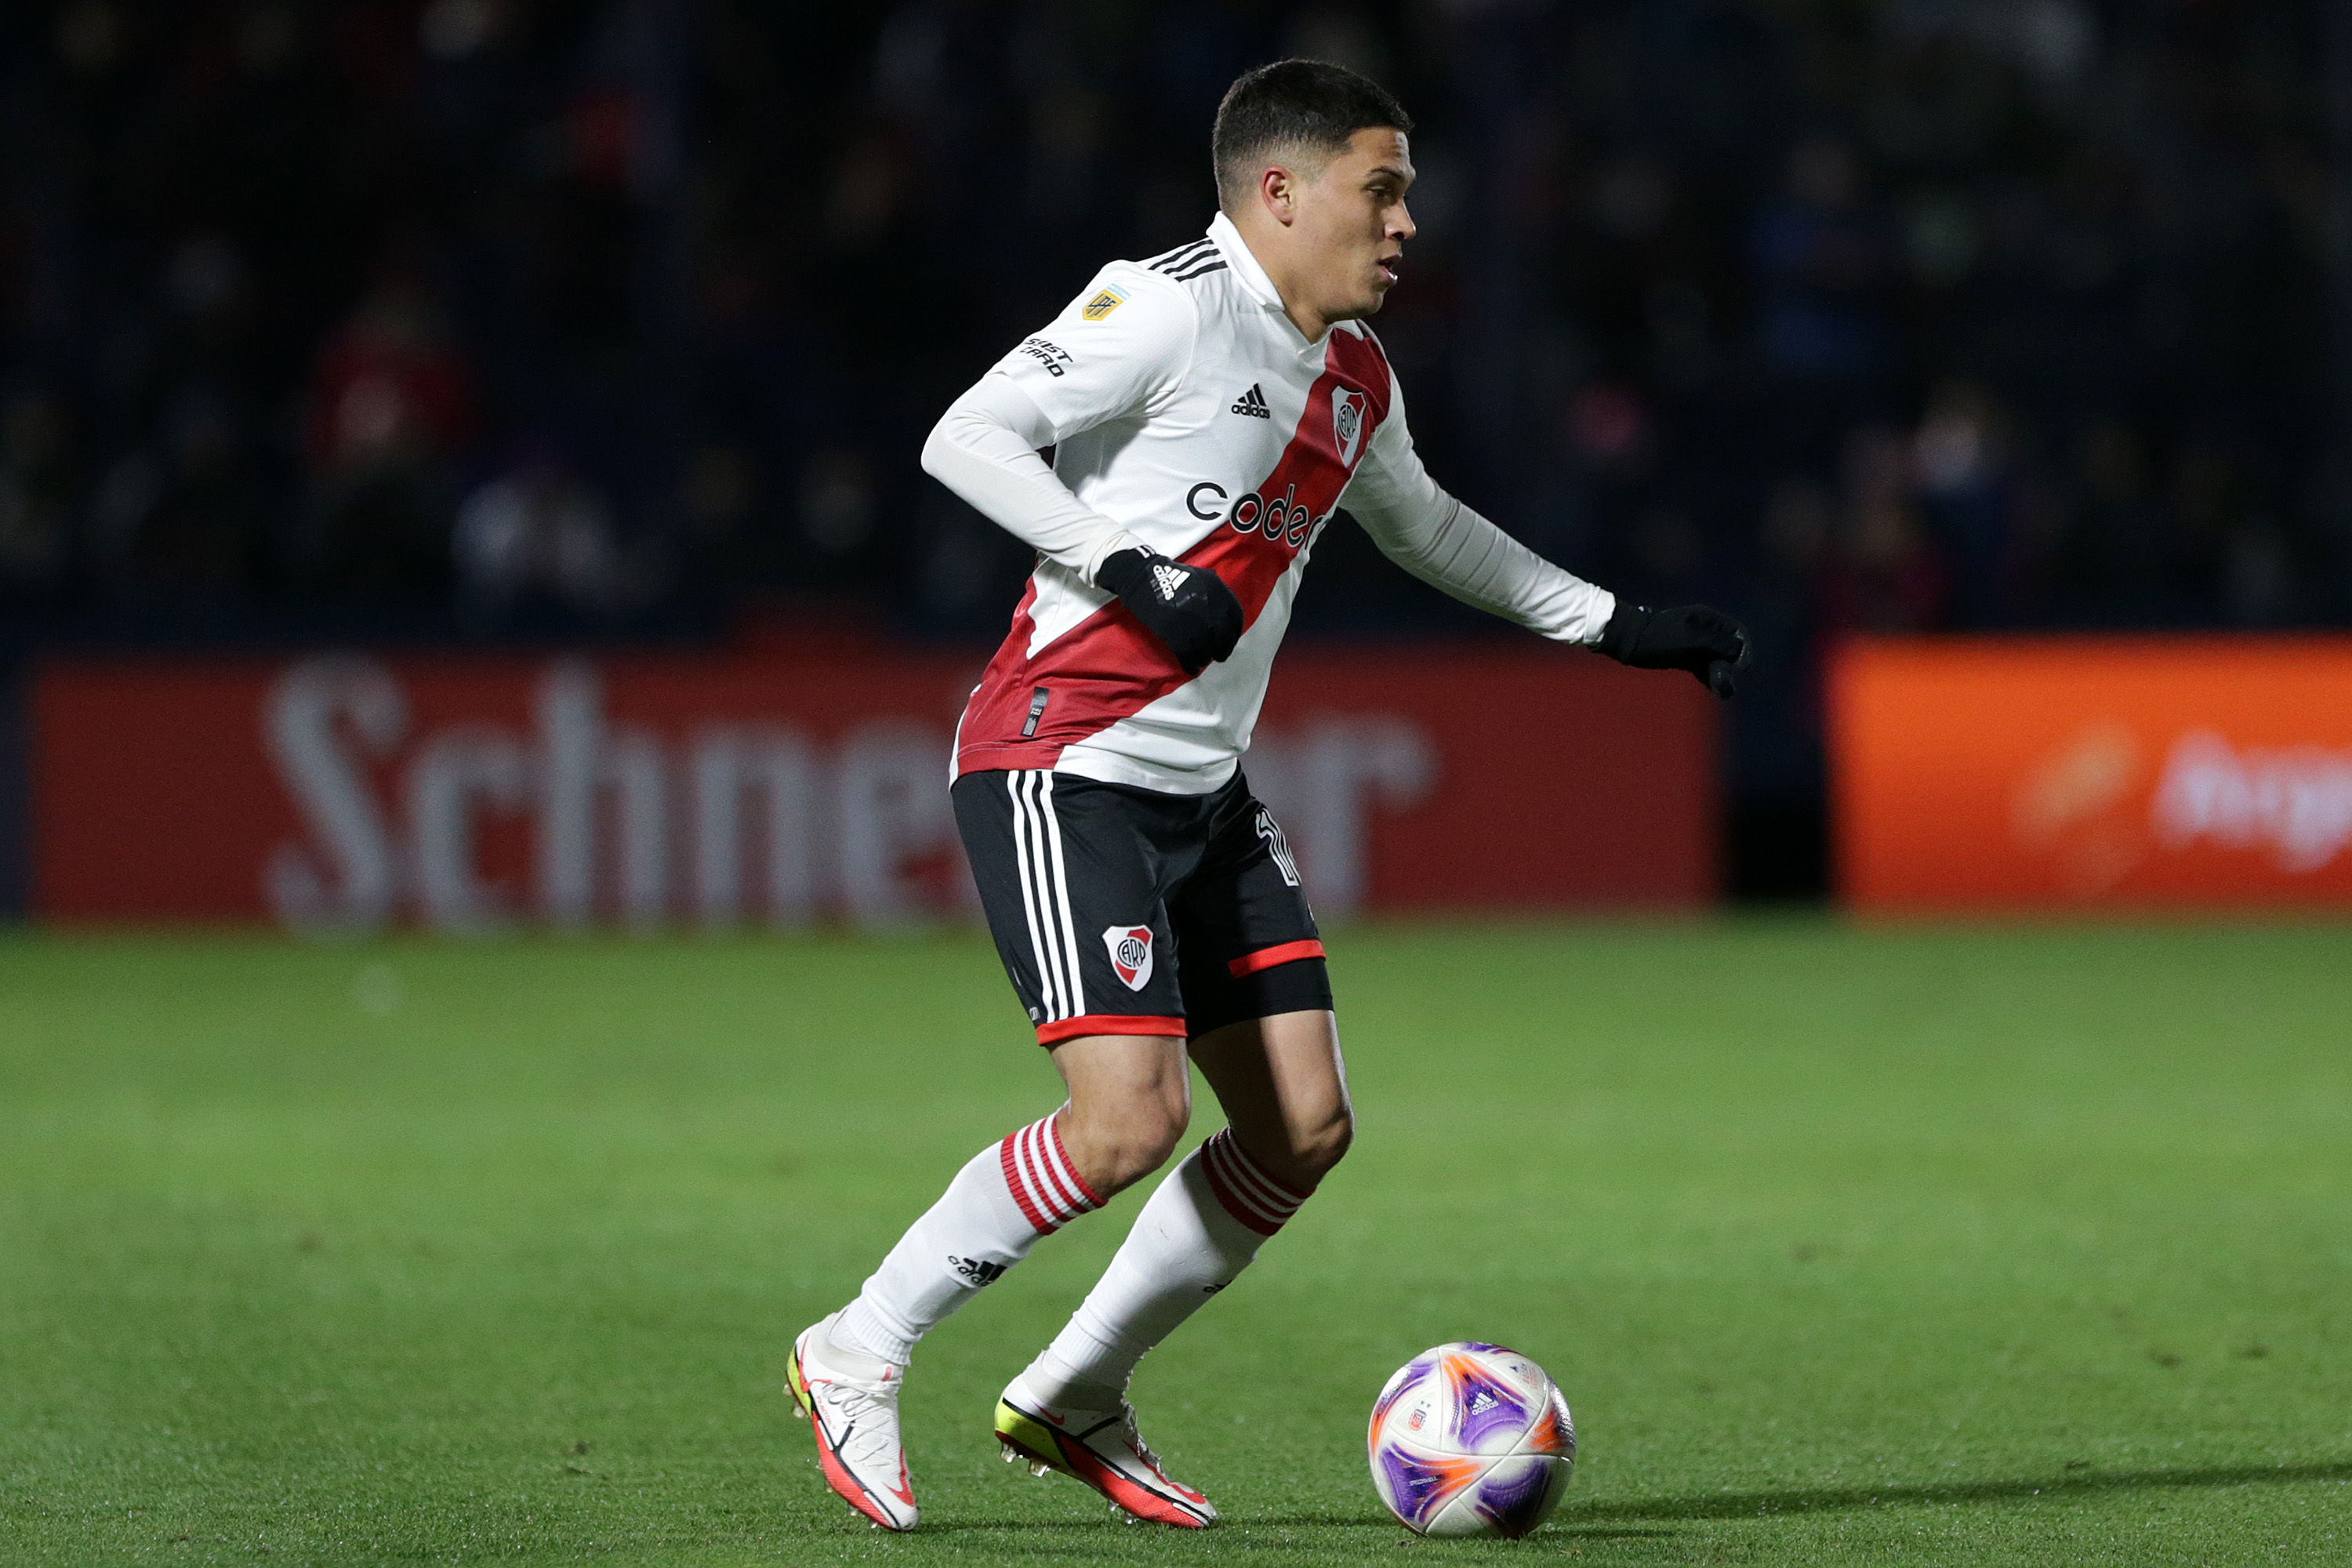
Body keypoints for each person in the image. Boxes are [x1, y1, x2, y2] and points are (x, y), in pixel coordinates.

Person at [787, 59, 1750, 1532]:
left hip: (1204, 792)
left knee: (1302, 1125)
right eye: (1384, 189)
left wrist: (1614, 625)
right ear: (1280, 192)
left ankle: (1074, 1390)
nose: (1407, 222)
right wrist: (1124, 568)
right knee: (1127, 1124)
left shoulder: (1354, 375)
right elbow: (964, 435)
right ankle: (857, 1345)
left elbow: (1430, 529)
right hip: (1065, 760)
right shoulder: (1165, 304)